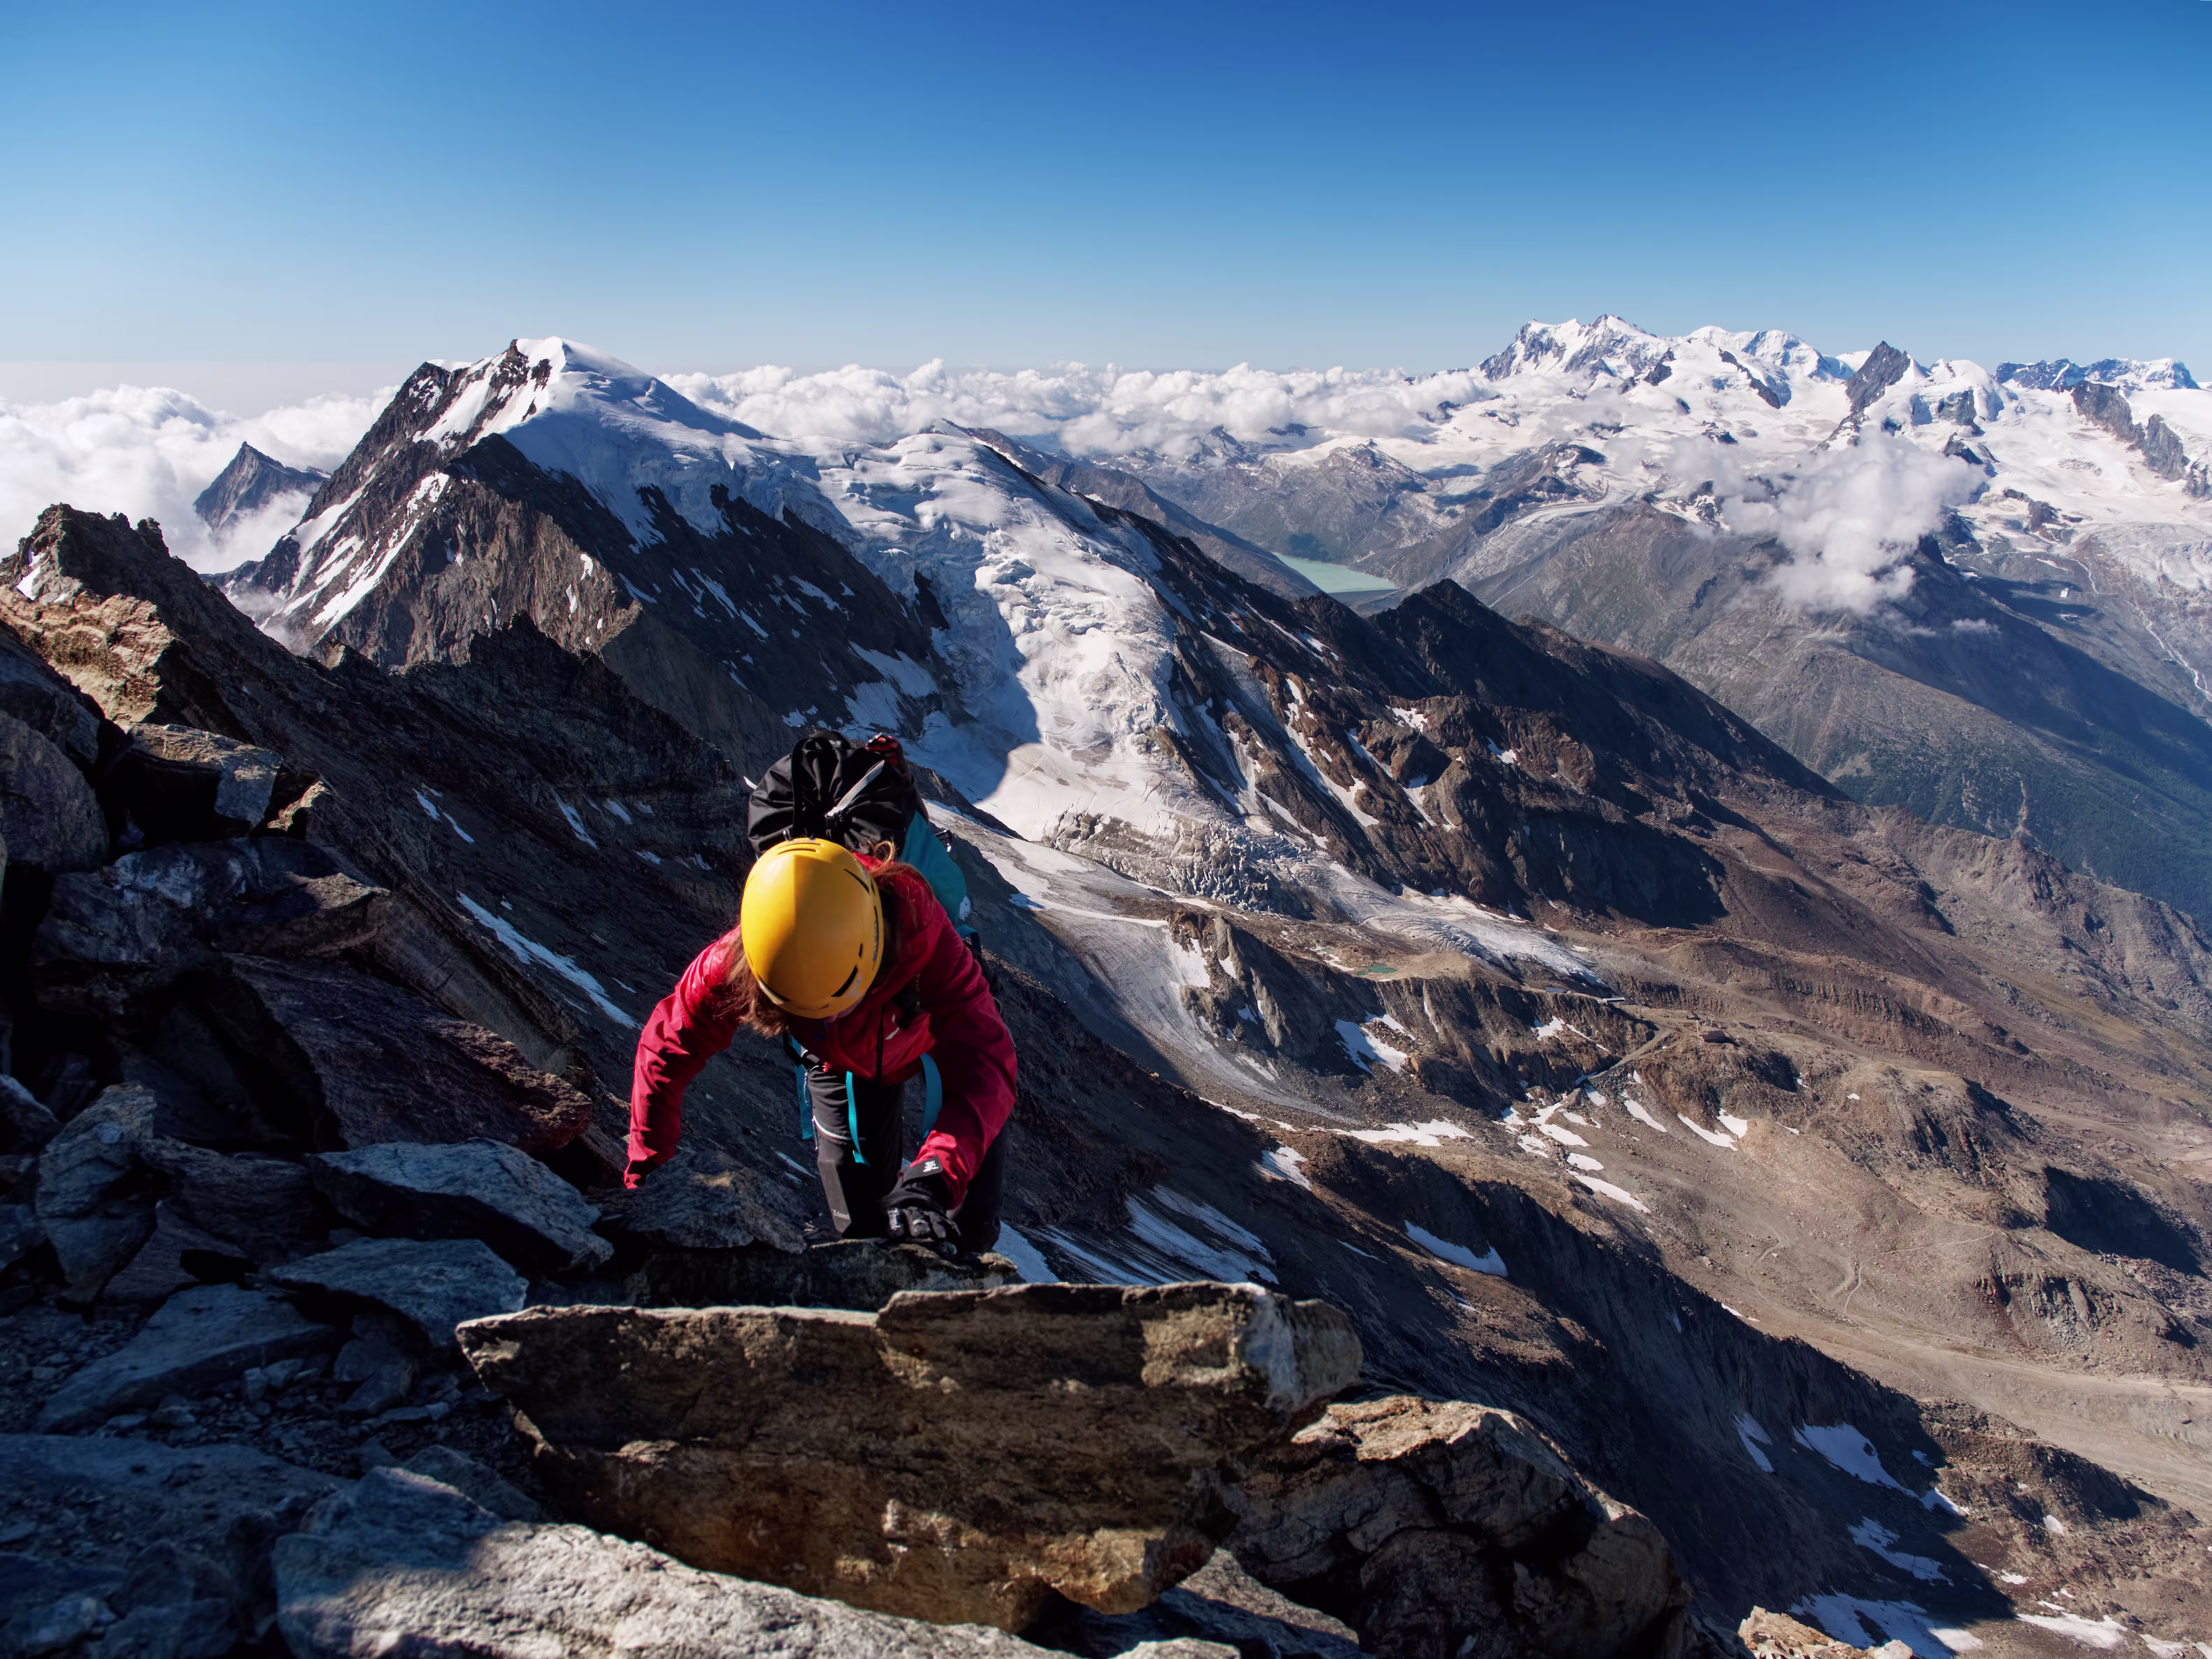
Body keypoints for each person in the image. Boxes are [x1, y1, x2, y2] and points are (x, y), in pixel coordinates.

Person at [624, 835, 1015, 1252]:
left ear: (876, 950)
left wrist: (933, 1177)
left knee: (966, 1229)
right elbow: (665, 1049)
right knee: (860, 1227)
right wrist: (646, 1181)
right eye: (810, 1013)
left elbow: (986, 1063)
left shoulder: (924, 932)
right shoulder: (740, 958)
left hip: (928, 1041)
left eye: (843, 1000)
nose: (831, 1017)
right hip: (838, 1063)